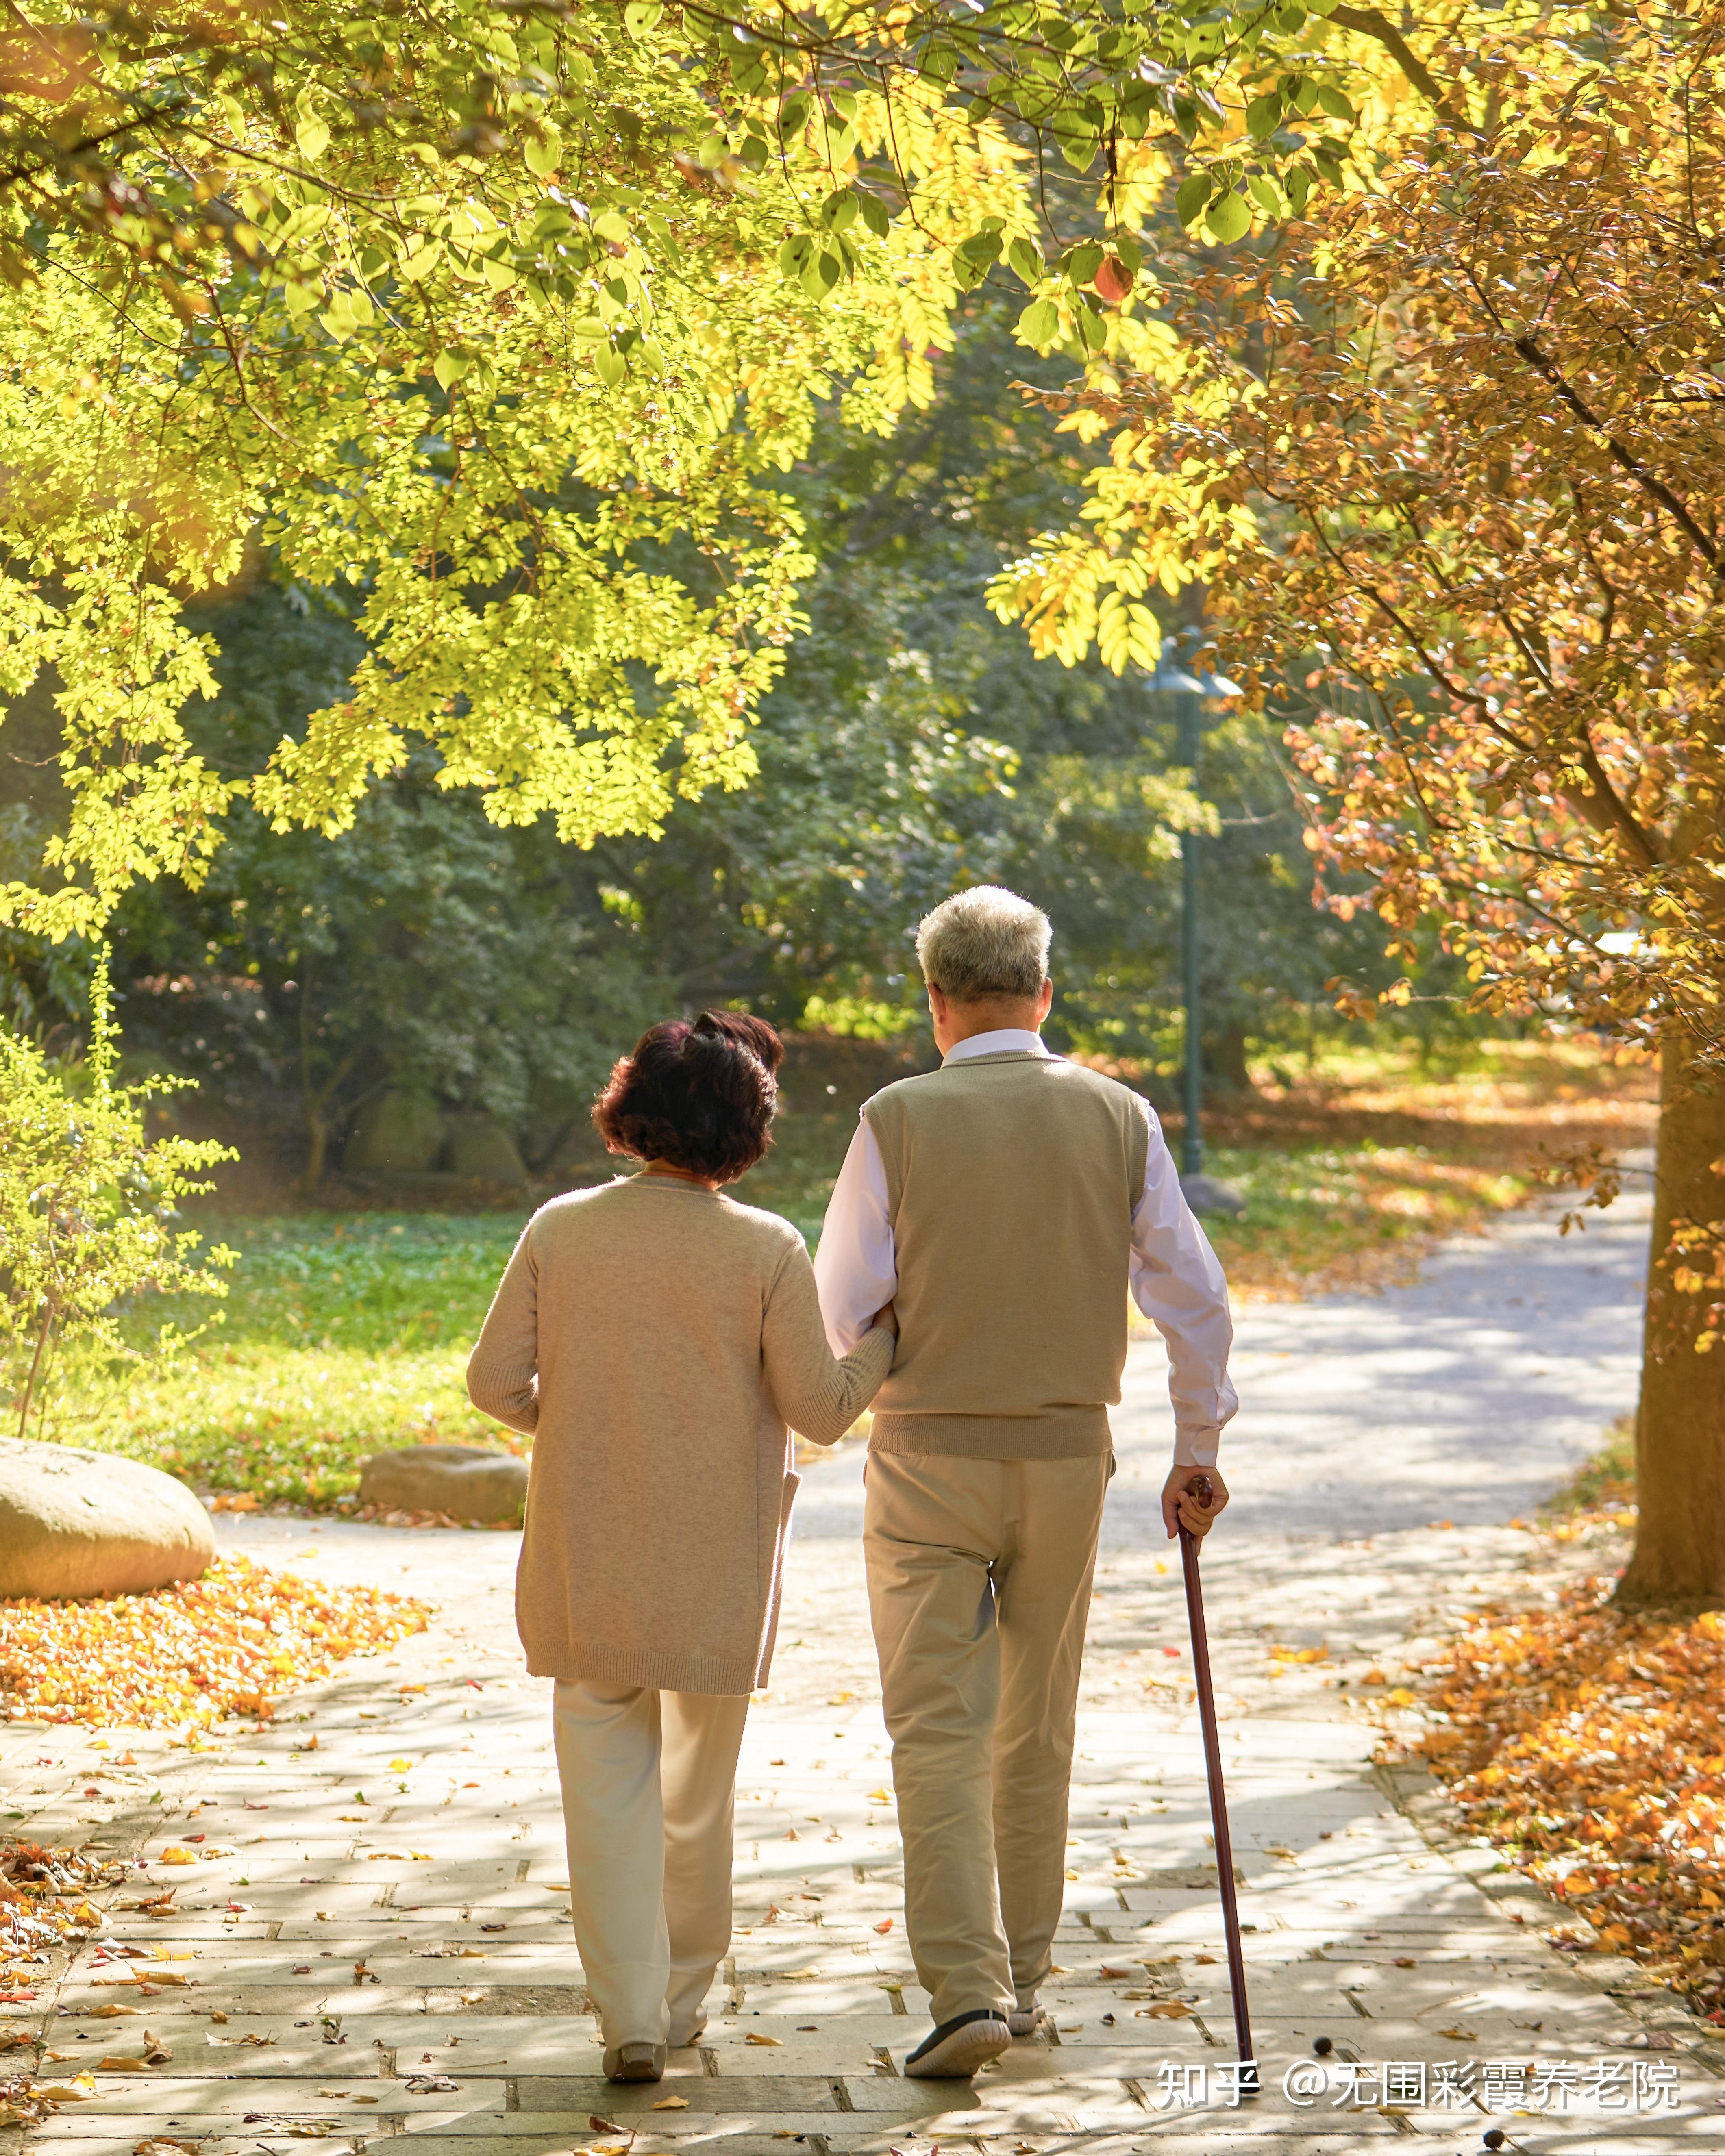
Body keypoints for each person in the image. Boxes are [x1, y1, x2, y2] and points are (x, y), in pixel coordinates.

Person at [813, 886, 1238, 2080]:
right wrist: (1195, 1444)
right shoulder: (1117, 1117)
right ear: (1044, 993)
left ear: (935, 1002)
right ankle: (1030, 1983)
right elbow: (1189, 1296)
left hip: (925, 1458)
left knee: (934, 1728)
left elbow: (840, 1301)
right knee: (1034, 1725)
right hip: (1064, 1462)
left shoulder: (896, 1117)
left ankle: (966, 1990)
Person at [468, 1011, 896, 2086]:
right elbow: (818, 1404)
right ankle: (682, 2000)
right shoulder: (763, 1248)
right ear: (746, 1129)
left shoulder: (560, 1229)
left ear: (632, 1109)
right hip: (715, 1564)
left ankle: (627, 2020)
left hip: (589, 1557)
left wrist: (571, 1424)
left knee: (602, 1790)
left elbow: (491, 1383)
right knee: (696, 1797)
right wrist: (887, 1339)